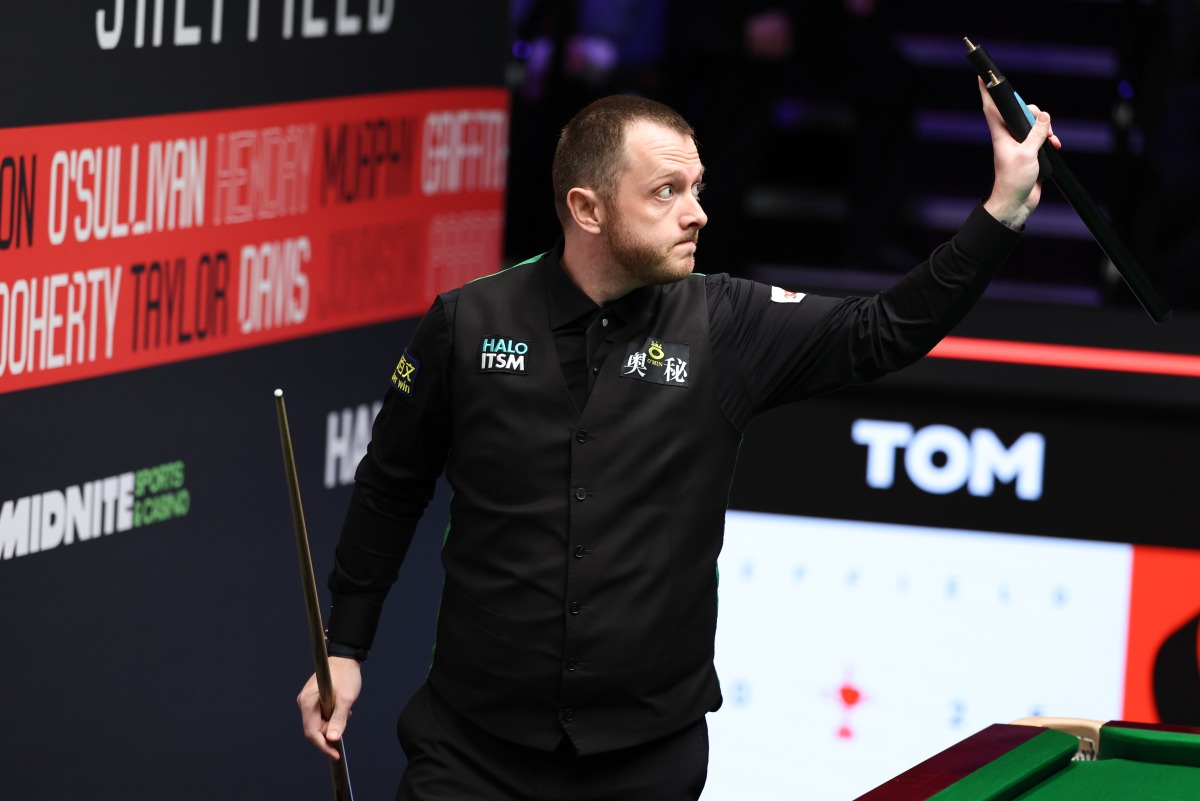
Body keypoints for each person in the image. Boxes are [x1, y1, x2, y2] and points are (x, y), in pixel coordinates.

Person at [298, 83, 1059, 800]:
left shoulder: (726, 324)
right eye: (667, 192)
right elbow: (391, 485)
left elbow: (883, 331)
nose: (695, 212)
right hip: (471, 749)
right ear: (587, 209)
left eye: (696, 188)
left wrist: (1003, 208)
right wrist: (346, 645)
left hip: (645, 759)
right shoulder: (467, 324)